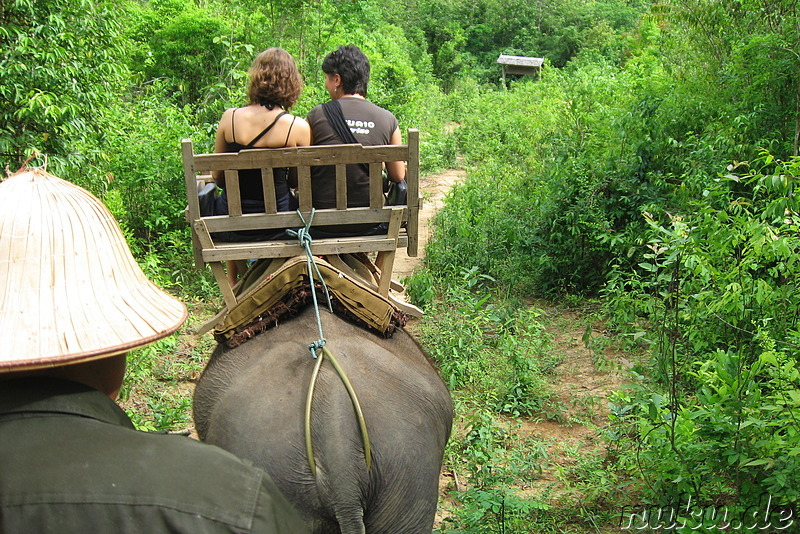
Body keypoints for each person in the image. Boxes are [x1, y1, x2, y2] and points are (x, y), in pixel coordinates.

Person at [0, 167, 310, 534]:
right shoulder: (230, 497)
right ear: (115, 344)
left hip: (240, 224)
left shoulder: (233, 122)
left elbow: (224, 178)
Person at [213, 47, 311, 285]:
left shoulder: (229, 118)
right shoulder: (297, 127)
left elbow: (218, 178)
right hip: (279, 225)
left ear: (256, 79)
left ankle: (237, 283)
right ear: (292, 84)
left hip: (231, 225)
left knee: (227, 204)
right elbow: (298, 183)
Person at [306, 45, 405, 235]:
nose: (326, 85)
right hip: (370, 220)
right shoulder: (387, 118)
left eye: (327, 78)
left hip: (322, 220)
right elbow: (398, 175)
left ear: (337, 79)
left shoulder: (316, 115)